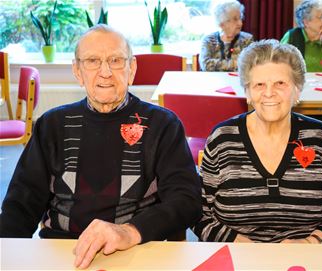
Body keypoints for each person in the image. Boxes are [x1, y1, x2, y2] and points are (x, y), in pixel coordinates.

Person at [0, 25, 202, 269]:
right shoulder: (51, 125)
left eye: (116, 60)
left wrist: (128, 232)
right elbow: (21, 205)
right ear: (77, 71)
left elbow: (186, 200)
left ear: (132, 69)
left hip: (139, 252)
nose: (105, 72)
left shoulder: (163, 124)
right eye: (93, 61)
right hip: (61, 253)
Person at [193, 39, 322, 244]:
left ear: (297, 90)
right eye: (259, 84)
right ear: (247, 93)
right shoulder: (222, 139)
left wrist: (309, 244)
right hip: (237, 258)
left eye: (280, 83)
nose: (269, 93)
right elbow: (197, 211)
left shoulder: (318, 137)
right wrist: (242, 245)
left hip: (306, 259)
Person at [280, 0, 322, 136]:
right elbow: (279, 64)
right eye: (320, 17)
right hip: (300, 95)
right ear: (306, 22)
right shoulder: (293, 36)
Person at [199, 0, 254, 71]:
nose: (240, 23)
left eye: (240, 18)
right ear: (221, 23)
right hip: (213, 81)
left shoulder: (247, 39)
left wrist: (217, 64)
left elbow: (250, 65)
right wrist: (236, 63)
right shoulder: (208, 40)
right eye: (235, 19)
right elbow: (206, 65)